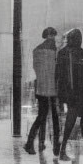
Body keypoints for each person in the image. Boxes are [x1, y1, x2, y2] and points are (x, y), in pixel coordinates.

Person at [56, 28, 83, 161]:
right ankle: (63, 150)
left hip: (70, 91)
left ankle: (81, 133)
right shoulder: (79, 52)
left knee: (81, 114)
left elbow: (59, 74)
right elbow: (79, 73)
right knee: (72, 117)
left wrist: (60, 95)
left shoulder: (63, 52)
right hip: (75, 91)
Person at [24, 27, 61, 156]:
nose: (54, 39)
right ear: (50, 36)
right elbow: (58, 70)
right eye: (53, 36)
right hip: (53, 89)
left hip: (41, 88)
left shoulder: (37, 50)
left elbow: (36, 68)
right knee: (55, 118)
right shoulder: (55, 51)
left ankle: (30, 143)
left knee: (41, 117)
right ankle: (56, 146)